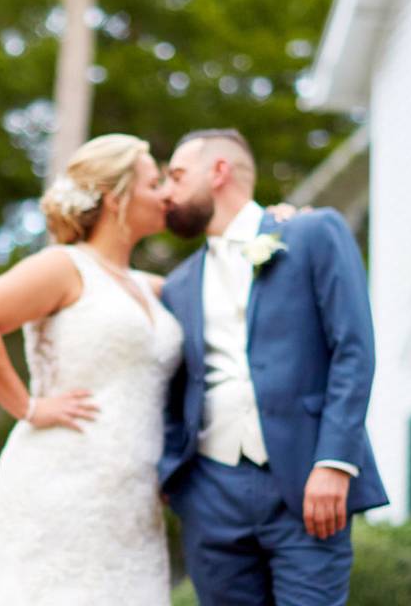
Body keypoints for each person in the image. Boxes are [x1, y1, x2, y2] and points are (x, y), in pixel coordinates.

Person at [0, 134, 182, 604]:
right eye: (155, 183)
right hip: (63, 482)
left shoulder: (150, 287)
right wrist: (28, 406)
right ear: (117, 198)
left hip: (133, 502)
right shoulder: (64, 266)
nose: (167, 195)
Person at [160, 128, 389, 606]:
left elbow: (354, 349)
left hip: (308, 483)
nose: (167, 192)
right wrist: (175, 479)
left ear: (218, 172)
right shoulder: (178, 285)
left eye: (177, 177)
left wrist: (334, 462)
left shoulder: (311, 234)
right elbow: (171, 385)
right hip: (210, 492)